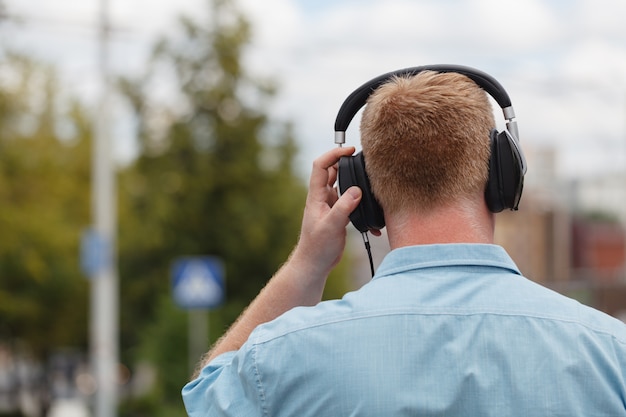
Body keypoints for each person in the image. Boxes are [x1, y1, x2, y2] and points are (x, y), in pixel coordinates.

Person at [182, 70, 626, 416]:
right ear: (503, 177)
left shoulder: (283, 358)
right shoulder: (610, 353)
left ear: (365, 196)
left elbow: (205, 399)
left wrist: (306, 262)